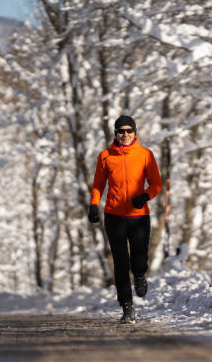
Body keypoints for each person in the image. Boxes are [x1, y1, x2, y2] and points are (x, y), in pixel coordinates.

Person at [88, 115, 162, 324]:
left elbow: (156, 184)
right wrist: (94, 204)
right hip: (114, 216)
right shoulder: (105, 156)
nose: (125, 134)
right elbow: (98, 185)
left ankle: (139, 275)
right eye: (121, 131)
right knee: (120, 263)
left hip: (139, 216)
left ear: (135, 132)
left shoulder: (146, 155)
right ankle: (127, 307)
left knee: (138, 260)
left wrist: (145, 196)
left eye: (129, 130)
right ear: (116, 134)